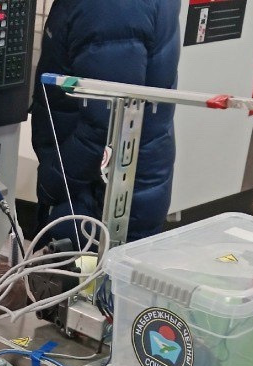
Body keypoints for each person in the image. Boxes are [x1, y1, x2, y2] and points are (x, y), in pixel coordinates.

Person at [30, 0, 180, 246]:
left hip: (98, 197)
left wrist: (54, 182)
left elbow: (106, 123)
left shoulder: (107, 7)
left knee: (86, 269)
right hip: (119, 187)